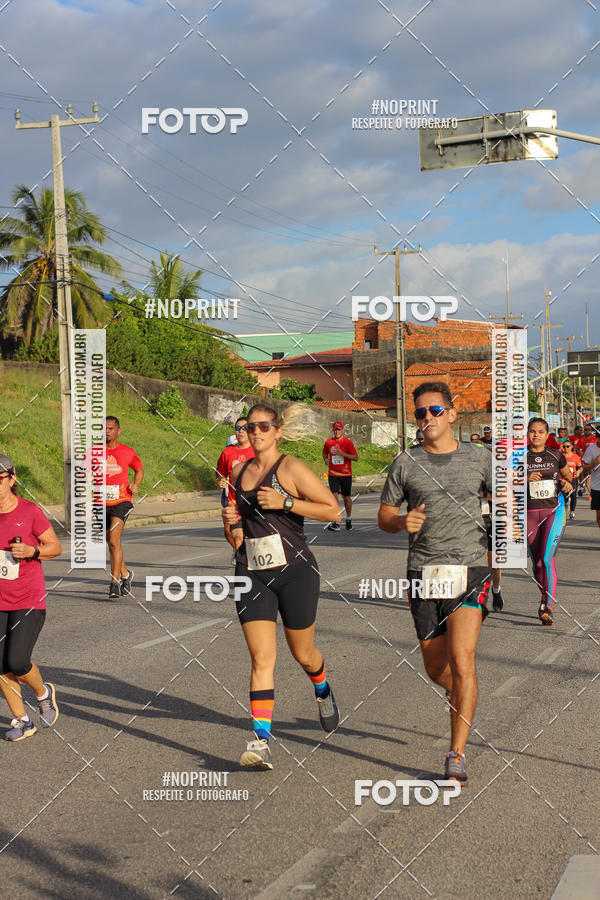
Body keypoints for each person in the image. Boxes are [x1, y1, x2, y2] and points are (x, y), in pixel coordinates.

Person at [378, 381, 492, 784]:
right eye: (421, 413)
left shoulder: (481, 458)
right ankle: (458, 692)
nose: (427, 418)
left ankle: (456, 753)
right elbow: (384, 516)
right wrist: (399, 522)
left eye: (435, 411)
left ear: (452, 413)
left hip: (470, 569)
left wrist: (501, 550)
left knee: (464, 661)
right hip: (424, 572)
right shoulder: (405, 463)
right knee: (435, 666)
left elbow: (505, 506)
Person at [223, 404, 341, 771]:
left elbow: (333, 510)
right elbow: (234, 533)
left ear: (277, 431)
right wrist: (231, 524)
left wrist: (286, 501)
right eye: (249, 426)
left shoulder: (290, 468)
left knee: (303, 653)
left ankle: (321, 687)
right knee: (261, 659)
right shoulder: (238, 472)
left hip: (296, 573)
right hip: (252, 572)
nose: (255, 432)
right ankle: (260, 742)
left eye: (263, 426)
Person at [0, 454, 62, 741]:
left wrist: (33, 551)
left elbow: (55, 547)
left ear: (11, 479)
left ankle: (42, 692)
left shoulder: (29, 512)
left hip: (28, 599)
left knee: (17, 661)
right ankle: (22, 720)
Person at [526, 418, 572, 626]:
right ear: (527, 433)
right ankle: (544, 596)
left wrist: (568, 483)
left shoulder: (555, 454)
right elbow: (504, 481)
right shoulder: (519, 457)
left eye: (540, 432)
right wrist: (523, 478)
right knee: (536, 563)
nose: (536, 435)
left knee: (546, 559)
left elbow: (568, 476)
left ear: (547, 435)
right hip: (528, 513)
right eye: (532, 432)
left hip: (553, 511)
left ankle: (548, 606)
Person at [103, 416, 144, 599]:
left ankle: (114, 582)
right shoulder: (94, 452)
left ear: (118, 431)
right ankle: (126, 575)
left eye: (110, 428)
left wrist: (135, 484)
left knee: (113, 538)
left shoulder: (127, 451)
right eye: (104, 429)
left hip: (122, 501)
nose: (106, 432)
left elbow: (139, 468)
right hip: (101, 502)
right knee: (112, 542)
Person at [216, 418, 255, 561]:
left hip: (255, 502)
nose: (241, 431)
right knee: (235, 535)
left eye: (244, 428)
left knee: (255, 538)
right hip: (234, 502)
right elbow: (219, 475)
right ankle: (243, 565)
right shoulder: (227, 453)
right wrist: (220, 481)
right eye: (238, 428)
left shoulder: (258, 451)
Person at [322, 421, 358, 532]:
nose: (337, 432)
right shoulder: (328, 442)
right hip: (333, 474)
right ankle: (336, 522)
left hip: (346, 474)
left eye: (339, 429)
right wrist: (326, 459)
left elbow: (356, 457)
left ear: (342, 430)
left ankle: (348, 519)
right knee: (334, 496)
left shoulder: (348, 442)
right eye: (335, 430)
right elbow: (324, 453)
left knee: (346, 498)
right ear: (333, 430)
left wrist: (343, 454)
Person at [581, 427, 600, 530]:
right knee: (599, 515)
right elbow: (584, 468)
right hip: (597, 487)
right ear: (597, 437)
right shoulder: (591, 449)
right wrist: (595, 463)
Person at [562, 440, 583, 519]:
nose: (566, 448)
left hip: (573, 478)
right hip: (563, 479)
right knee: (564, 495)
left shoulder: (576, 457)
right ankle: (565, 504)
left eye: (568, 446)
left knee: (573, 494)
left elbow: (580, 467)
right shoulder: (561, 456)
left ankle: (572, 511)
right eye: (564, 446)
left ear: (571, 447)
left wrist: (578, 471)